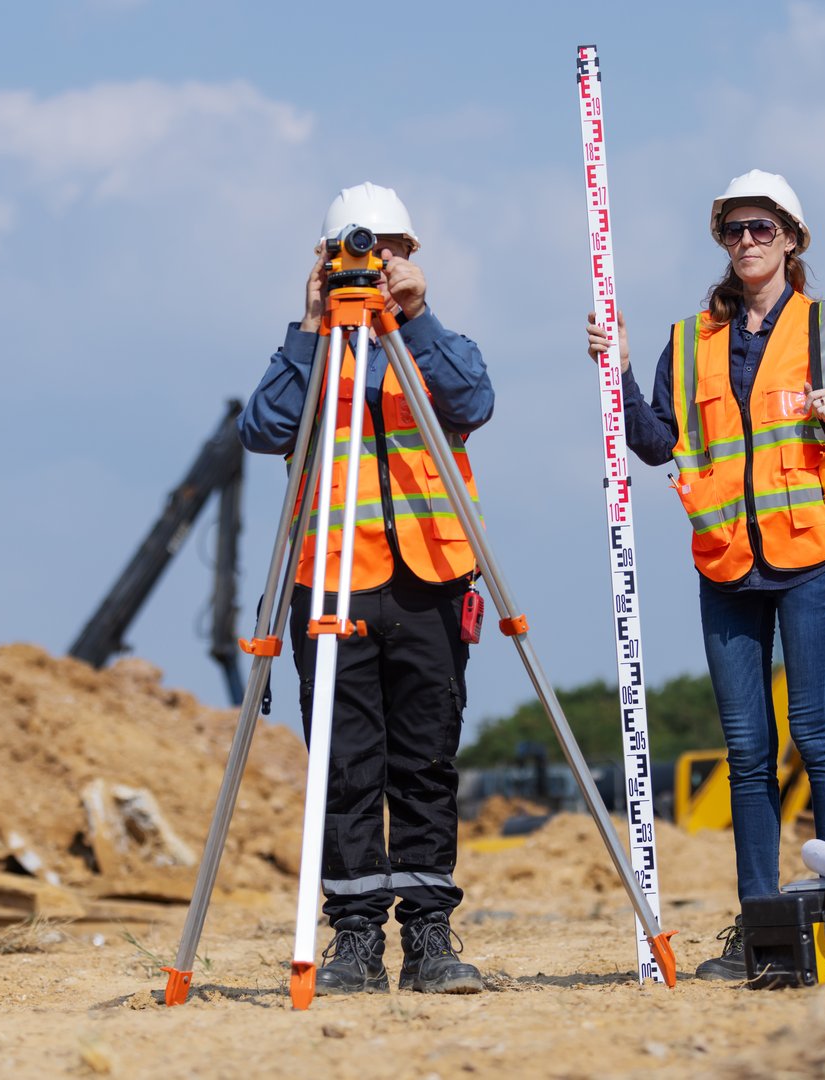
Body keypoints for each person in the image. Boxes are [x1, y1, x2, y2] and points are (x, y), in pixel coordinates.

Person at [586, 169, 825, 981]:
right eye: (733, 231)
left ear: (792, 240)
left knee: (817, 732)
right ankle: (760, 929)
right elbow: (659, 442)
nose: (745, 242)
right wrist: (620, 373)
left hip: (810, 556)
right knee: (744, 750)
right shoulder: (689, 337)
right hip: (727, 562)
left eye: (760, 229)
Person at [238, 182, 492, 995]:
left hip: (429, 579)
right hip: (333, 582)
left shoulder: (433, 342)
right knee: (346, 768)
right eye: (353, 248)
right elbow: (265, 429)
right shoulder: (312, 351)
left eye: (388, 248)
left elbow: (473, 401)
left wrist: (415, 316)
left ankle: (428, 936)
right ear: (322, 261)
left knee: (424, 764)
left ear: (410, 258)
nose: (370, 262)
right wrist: (311, 326)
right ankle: (353, 937)